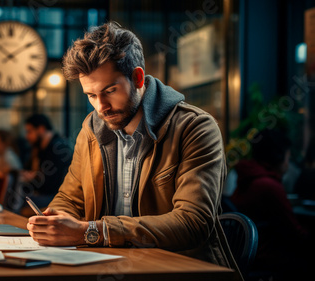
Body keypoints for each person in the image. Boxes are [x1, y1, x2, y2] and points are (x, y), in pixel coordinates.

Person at [26, 22, 240, 277]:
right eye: (91, 95)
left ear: (138, 78)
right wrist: (55, 221)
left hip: (177, 270)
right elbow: (71, 197)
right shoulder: (91, 129)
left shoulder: (195, 128)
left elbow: (192, 223)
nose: (101, 107)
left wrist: (93, 231)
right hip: (108, 266)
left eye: (110, 91)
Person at [231, 129, 312, 279]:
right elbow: (295, 234)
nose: (288, 164)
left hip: (248, 253)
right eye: (288, 157)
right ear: (278, 157)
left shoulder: (248, 178)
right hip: (266, 256)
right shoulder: (268, 186)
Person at [18, 114, 72, 209]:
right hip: (44, 193)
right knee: (17, 193)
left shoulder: (59, 148)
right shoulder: (38, 148)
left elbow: (50, 185)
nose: (27, 136)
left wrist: (33, 176)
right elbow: (28, 169)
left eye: (29, 132)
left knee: (18, 198)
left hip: (57, 197)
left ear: (41, 129)